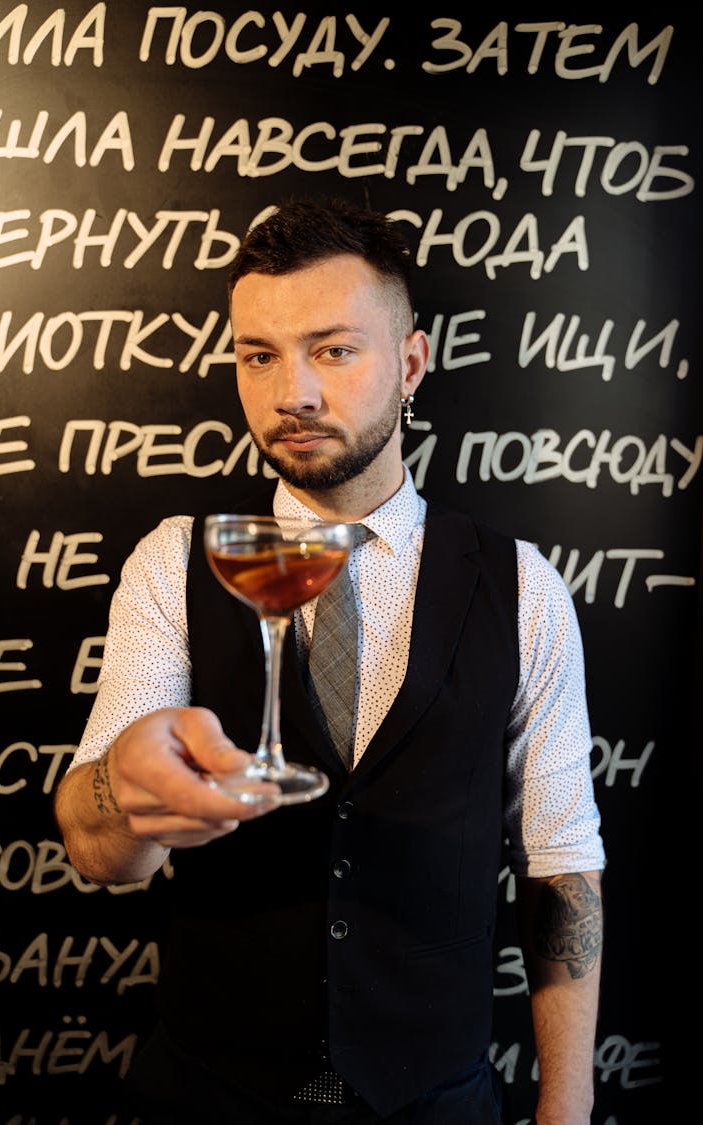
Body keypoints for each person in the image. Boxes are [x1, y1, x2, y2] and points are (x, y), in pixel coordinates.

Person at [54, 196, 605, 1125]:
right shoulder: (174, 561)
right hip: (208, 1101)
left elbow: (562, 870)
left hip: (437, 1105)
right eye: (258, 355)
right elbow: (97, 846)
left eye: (334, 349)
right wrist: (124, 791)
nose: (291, 393)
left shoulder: (526, 590)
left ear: (412, 365)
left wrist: (567, 1112)